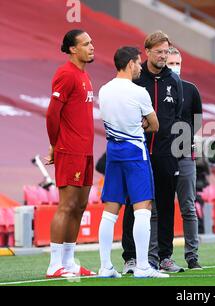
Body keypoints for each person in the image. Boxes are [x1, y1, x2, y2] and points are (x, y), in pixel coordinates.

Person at [97, 46, 167, 278]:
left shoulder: (104, 90)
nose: (140, 67)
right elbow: (154, 124)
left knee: (110, 210)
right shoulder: (138, 92)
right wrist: (140, 125)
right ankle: (144, 266)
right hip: (135, 150)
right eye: (138, 63)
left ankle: (105, 266)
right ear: (130, 64)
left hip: (113, 151)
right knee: (142, 208)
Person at [121, 31, 184, 274]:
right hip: (138, 152)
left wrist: (176, 150)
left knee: (167, 205)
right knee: (133, 203)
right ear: (147, 51)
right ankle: (131, 257)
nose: (163, 56)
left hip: (166, 154)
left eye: (166, 51)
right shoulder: (136, 79)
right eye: (158, 51)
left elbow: (177, 117)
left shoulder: (174, 81)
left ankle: (165, 256)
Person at [45, 29, 97, 278]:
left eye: (91, 43)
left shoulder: (84, 76)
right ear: (73, 49)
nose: (91, 46)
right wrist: (54, 144)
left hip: (86, 151)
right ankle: (54, 264)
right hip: (70, 150)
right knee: (66, 206)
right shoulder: (65, 74)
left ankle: (69, 261)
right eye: (86, 44)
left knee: (80, 206)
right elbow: (52, 114)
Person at [165, 47, 203, 270]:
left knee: (188, 206)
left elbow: (197, 120)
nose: (174, 67)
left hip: (185, 154)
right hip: (160, 155)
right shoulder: (156, 88)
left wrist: (184, 139)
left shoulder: (191, 90)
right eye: (170, 63)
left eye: (177, 63)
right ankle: (160, 254)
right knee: (160, 208)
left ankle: (192, 256)